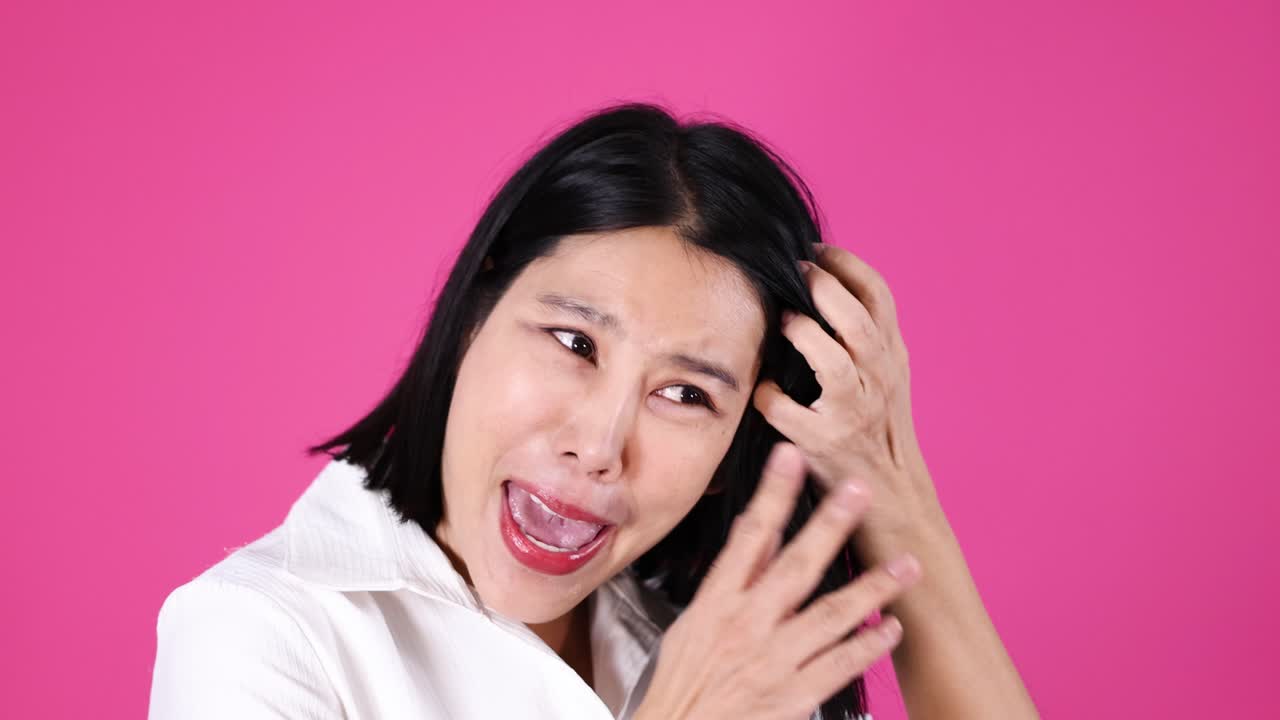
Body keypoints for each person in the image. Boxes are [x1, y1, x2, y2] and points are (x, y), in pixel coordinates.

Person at [149, 103, 1040, 719]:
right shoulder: (257, 633)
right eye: (574, 343)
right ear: (472, 315)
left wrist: (887, 481)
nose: (601, 445)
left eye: (685, 394)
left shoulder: (717, 641)